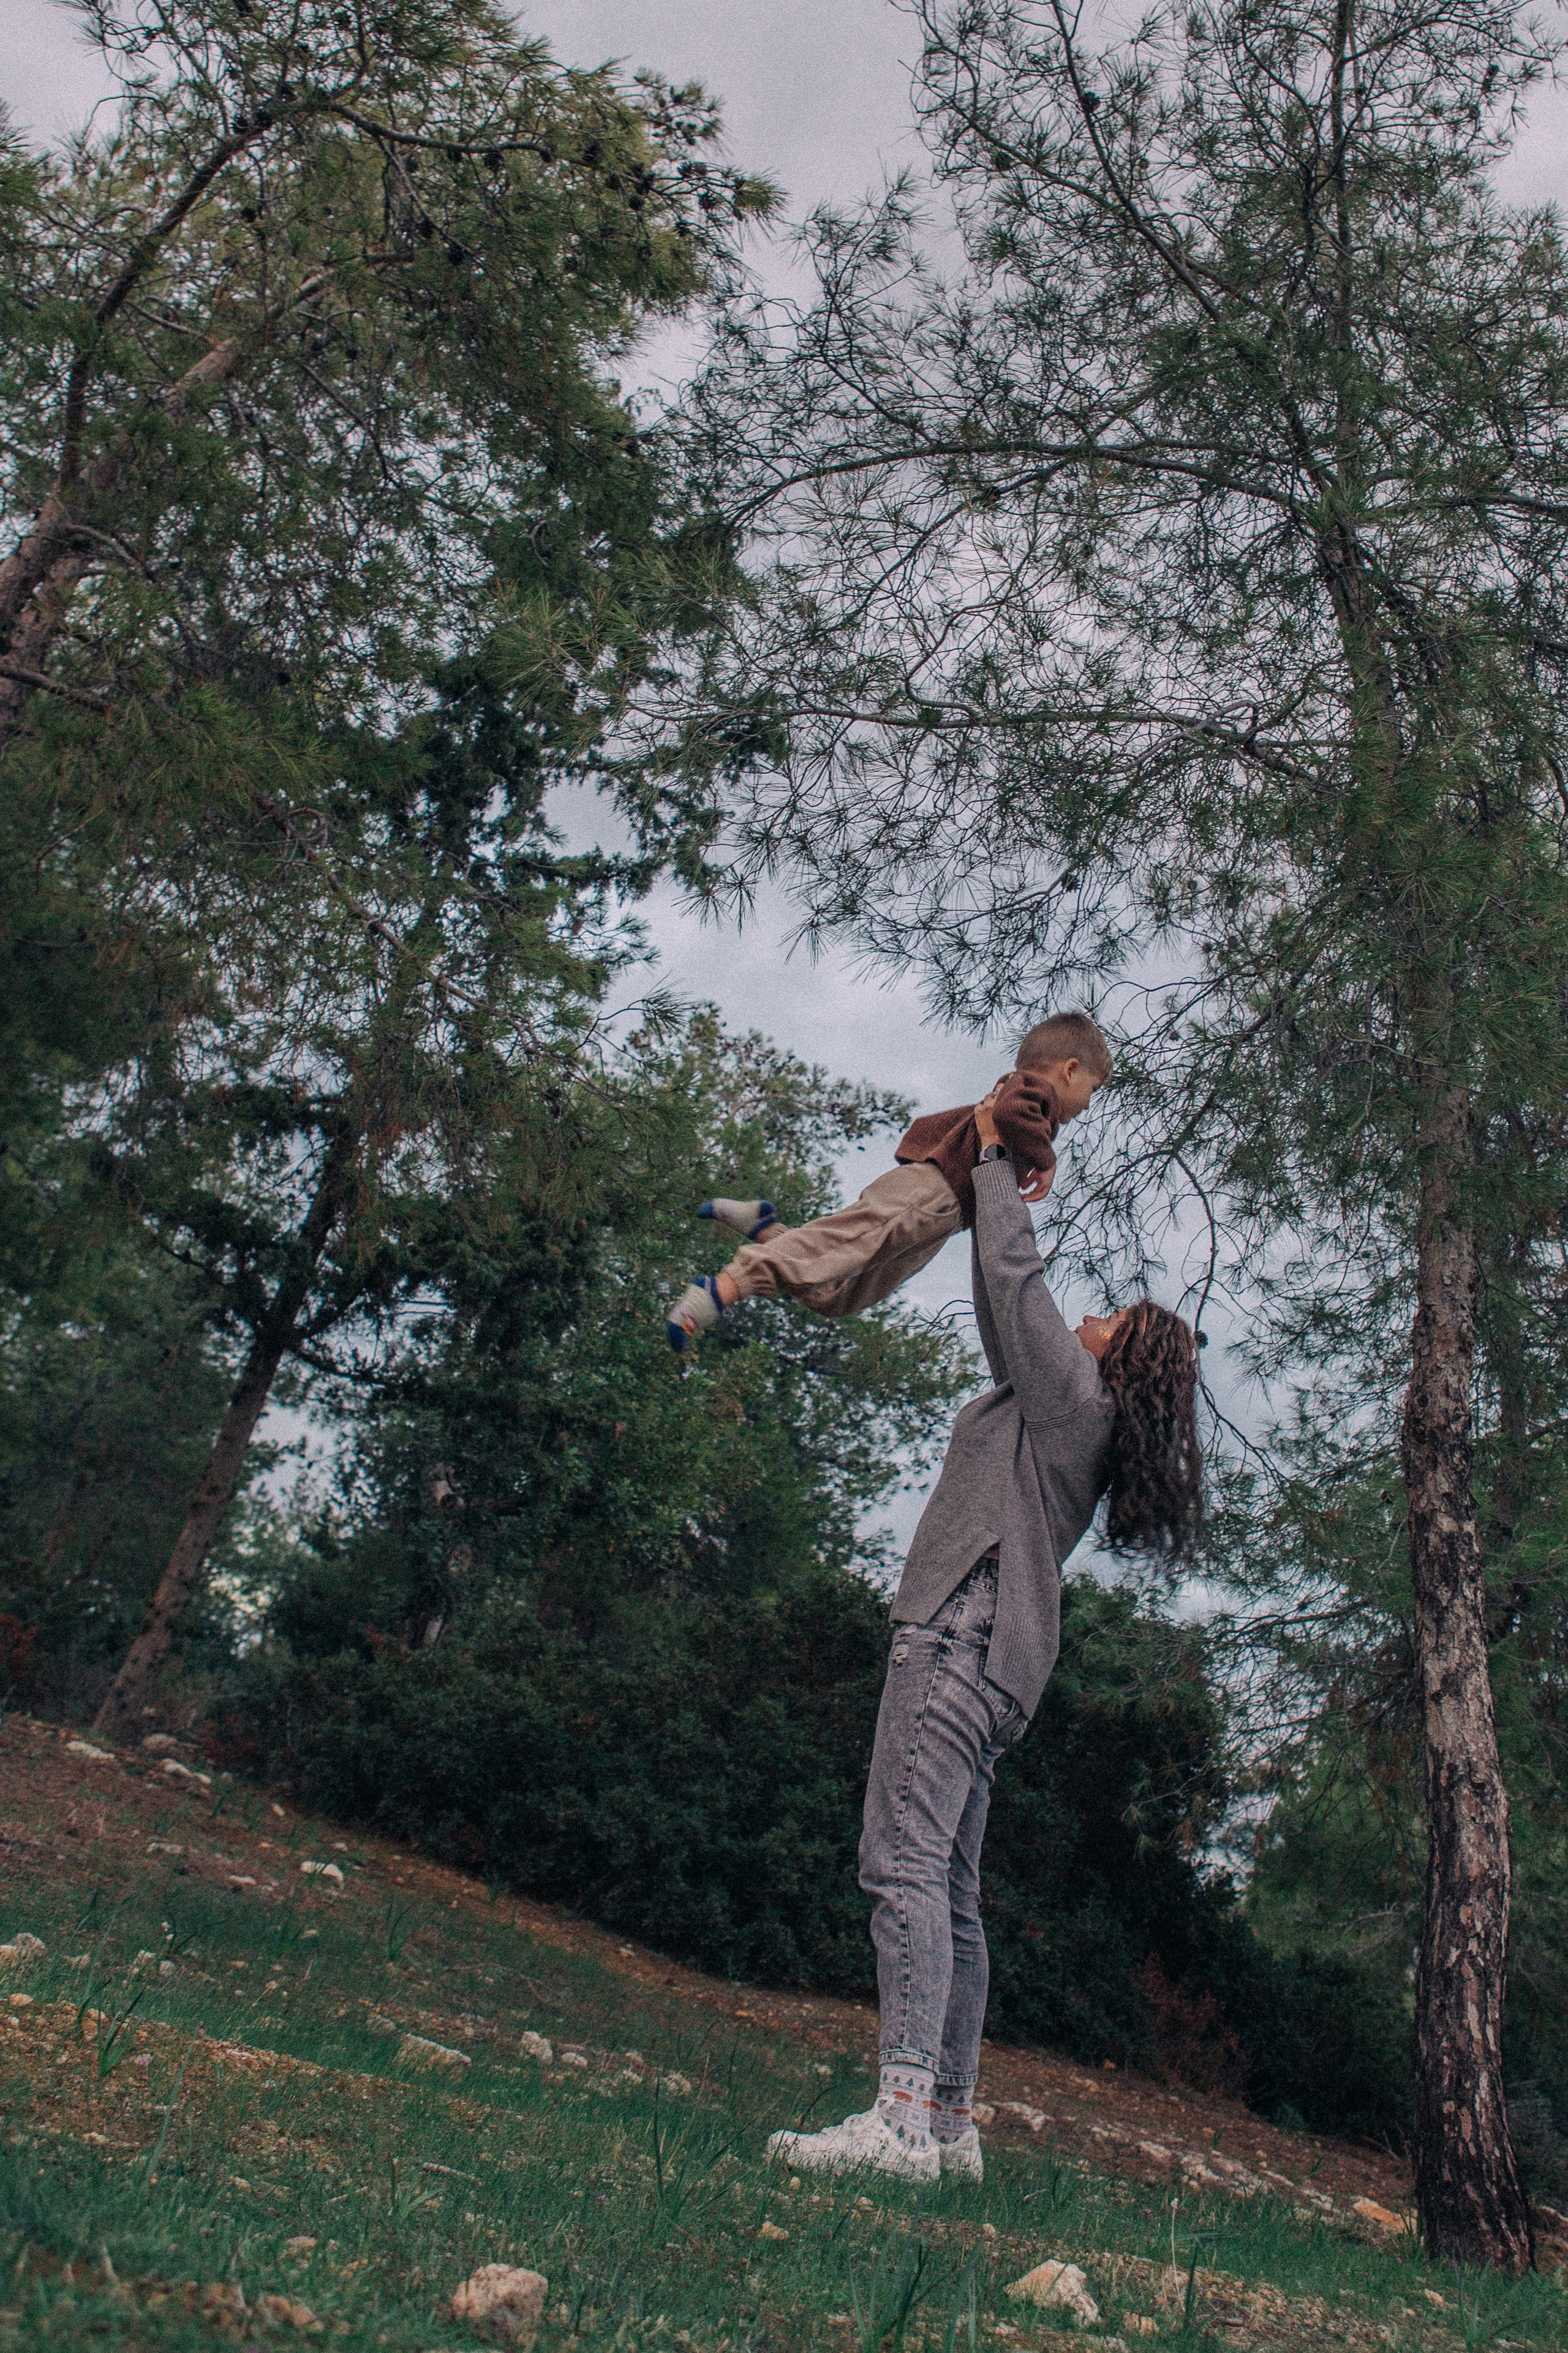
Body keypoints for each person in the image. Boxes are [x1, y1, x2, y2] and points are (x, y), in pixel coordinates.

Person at [764, 1090, 1202, 2183]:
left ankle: (902, 2120)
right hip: (1003, 1666)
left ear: (1119, 1361)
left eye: (1111, 1320)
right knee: (951, 1890)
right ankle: (950, 2126)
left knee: (898, 1865)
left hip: (958, 1640)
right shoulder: (1066, 1415)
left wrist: (999, 1156)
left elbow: (1017, 1284)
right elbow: (1004, 1302)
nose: (1089, 1320)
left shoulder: (1075, 1403)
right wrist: (978, 1186)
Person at [664, 1011, 1112, 1353]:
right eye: (1091, 1091)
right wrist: (1045, 1160)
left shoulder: (1033, 1097)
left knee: (838, 1292)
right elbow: (1012, 1116)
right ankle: (722, 1287)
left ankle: (767, 1229)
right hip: (932, 1192)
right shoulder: (1033, 1090)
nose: (1087, 1108)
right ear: (1069, 1070)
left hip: (944, 1215)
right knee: (843, 1244)